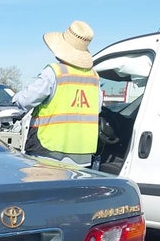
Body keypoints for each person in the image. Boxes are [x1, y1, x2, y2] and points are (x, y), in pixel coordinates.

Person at [12, 20, 101, 167]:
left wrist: (14, 99)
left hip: (48, 151)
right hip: (83, 154)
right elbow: (96, 108)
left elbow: (27, 100)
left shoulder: (55, 72)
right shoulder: (94, 77)